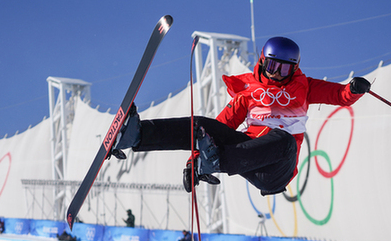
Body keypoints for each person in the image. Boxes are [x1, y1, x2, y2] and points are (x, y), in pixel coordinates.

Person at [110, 36, 370, 196]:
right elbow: (220, 126)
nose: (277, 73)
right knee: (203, 125)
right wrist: (196, 158)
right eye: (272, 66)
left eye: (284, 68)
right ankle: (136, 135)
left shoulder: (305, 87)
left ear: (295, 68)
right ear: (262, 61)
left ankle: (217, 162)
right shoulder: (249, 91)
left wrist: (354, 89)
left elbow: (339, 95)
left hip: (277, 168)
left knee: (285, 139)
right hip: (245, 152)